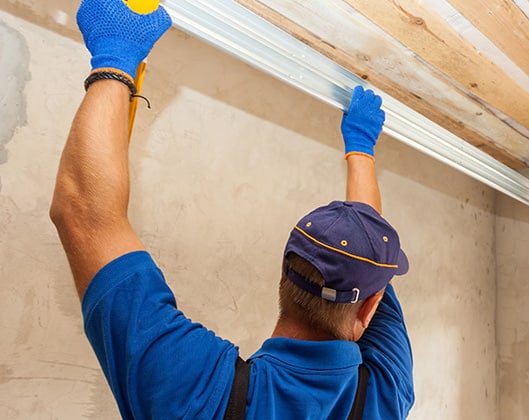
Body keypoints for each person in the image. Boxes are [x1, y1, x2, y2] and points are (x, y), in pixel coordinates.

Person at [49, 0, 414, 418]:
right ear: (368, 308)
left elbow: (86, 215)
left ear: (284, 273)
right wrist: (361, 149)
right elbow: (367, 247)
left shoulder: (200, 394)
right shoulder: (386, 390)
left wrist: (115, 56)